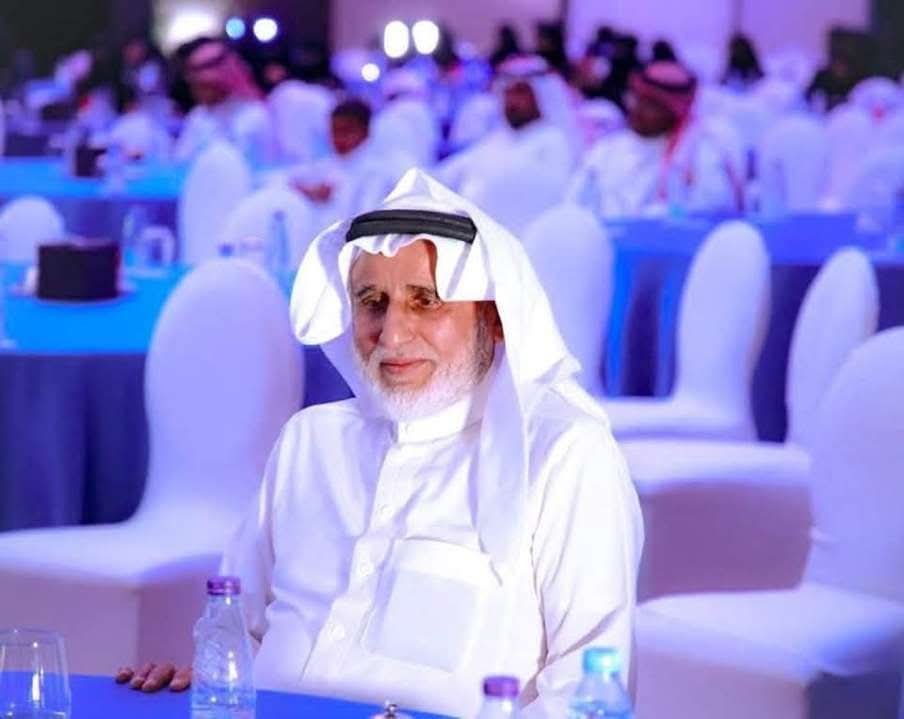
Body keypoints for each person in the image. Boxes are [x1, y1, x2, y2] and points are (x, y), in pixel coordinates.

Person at [115, 168, 643, 717]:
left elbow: (588, 697)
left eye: (426, 302)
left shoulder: (564, 456)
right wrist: (205, 677)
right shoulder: (310, 441)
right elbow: (238, 628)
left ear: (495, 319)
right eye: (372, 301)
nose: (391, 334)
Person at [567, 61, 741, 217]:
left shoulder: (698, 154)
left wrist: (669, 215)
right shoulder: (606, 150)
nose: (637, 109)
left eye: (650, 105)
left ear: (674, 111)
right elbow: (574, 207)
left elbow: (714, 213)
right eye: (636, 99)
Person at [436, 55, 579, 195]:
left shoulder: (554, 141)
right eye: (507, 93)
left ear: (541, 96)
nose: (512, 101)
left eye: (521, 93)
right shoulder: (497, 140)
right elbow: (445, 176)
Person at [288, 98, 407, 229]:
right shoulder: (328, 165)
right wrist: (311, 193)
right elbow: (289, 181)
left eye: (346, 131)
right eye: (334, 132)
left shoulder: (379, 171)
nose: (338, 138)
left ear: (365, 132)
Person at [172, 36, 275, 165]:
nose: (197, 88)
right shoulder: (198, 117)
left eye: (205, 85)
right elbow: (181, 162)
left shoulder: (254, 114)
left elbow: (270, 166)